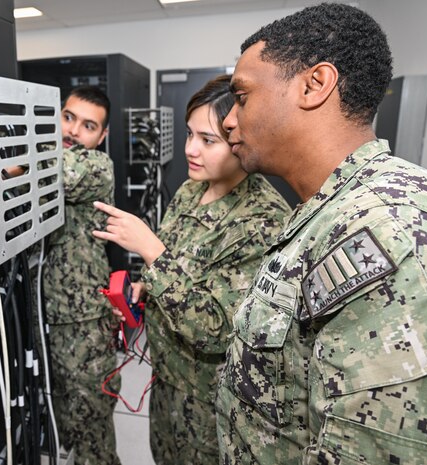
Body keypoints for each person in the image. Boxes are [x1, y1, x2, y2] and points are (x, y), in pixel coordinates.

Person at [215, 3, 427, 464]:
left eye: (241, 96)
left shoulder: (388, 230)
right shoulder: (329, 210)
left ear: (314, 85)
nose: (227, 120)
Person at [93, 76, 291, 464]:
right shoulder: (190, 190)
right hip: (166, 378)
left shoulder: (262, 221)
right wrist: (142, 289)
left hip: (209, 401)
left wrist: (150, 250)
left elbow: (217, 329)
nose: (190, 150)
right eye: (189, 135)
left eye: (207, 140)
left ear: (239, 140)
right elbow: (176, 267)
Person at [43, 86, 121, 465]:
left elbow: (60, 171)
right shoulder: (37, 155)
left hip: (83, 324)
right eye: (68, 117)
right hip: (41, 319)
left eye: (88, 126)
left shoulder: (96, 167)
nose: (73, 131)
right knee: (59, 426)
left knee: (91, 432)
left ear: (101, 137)